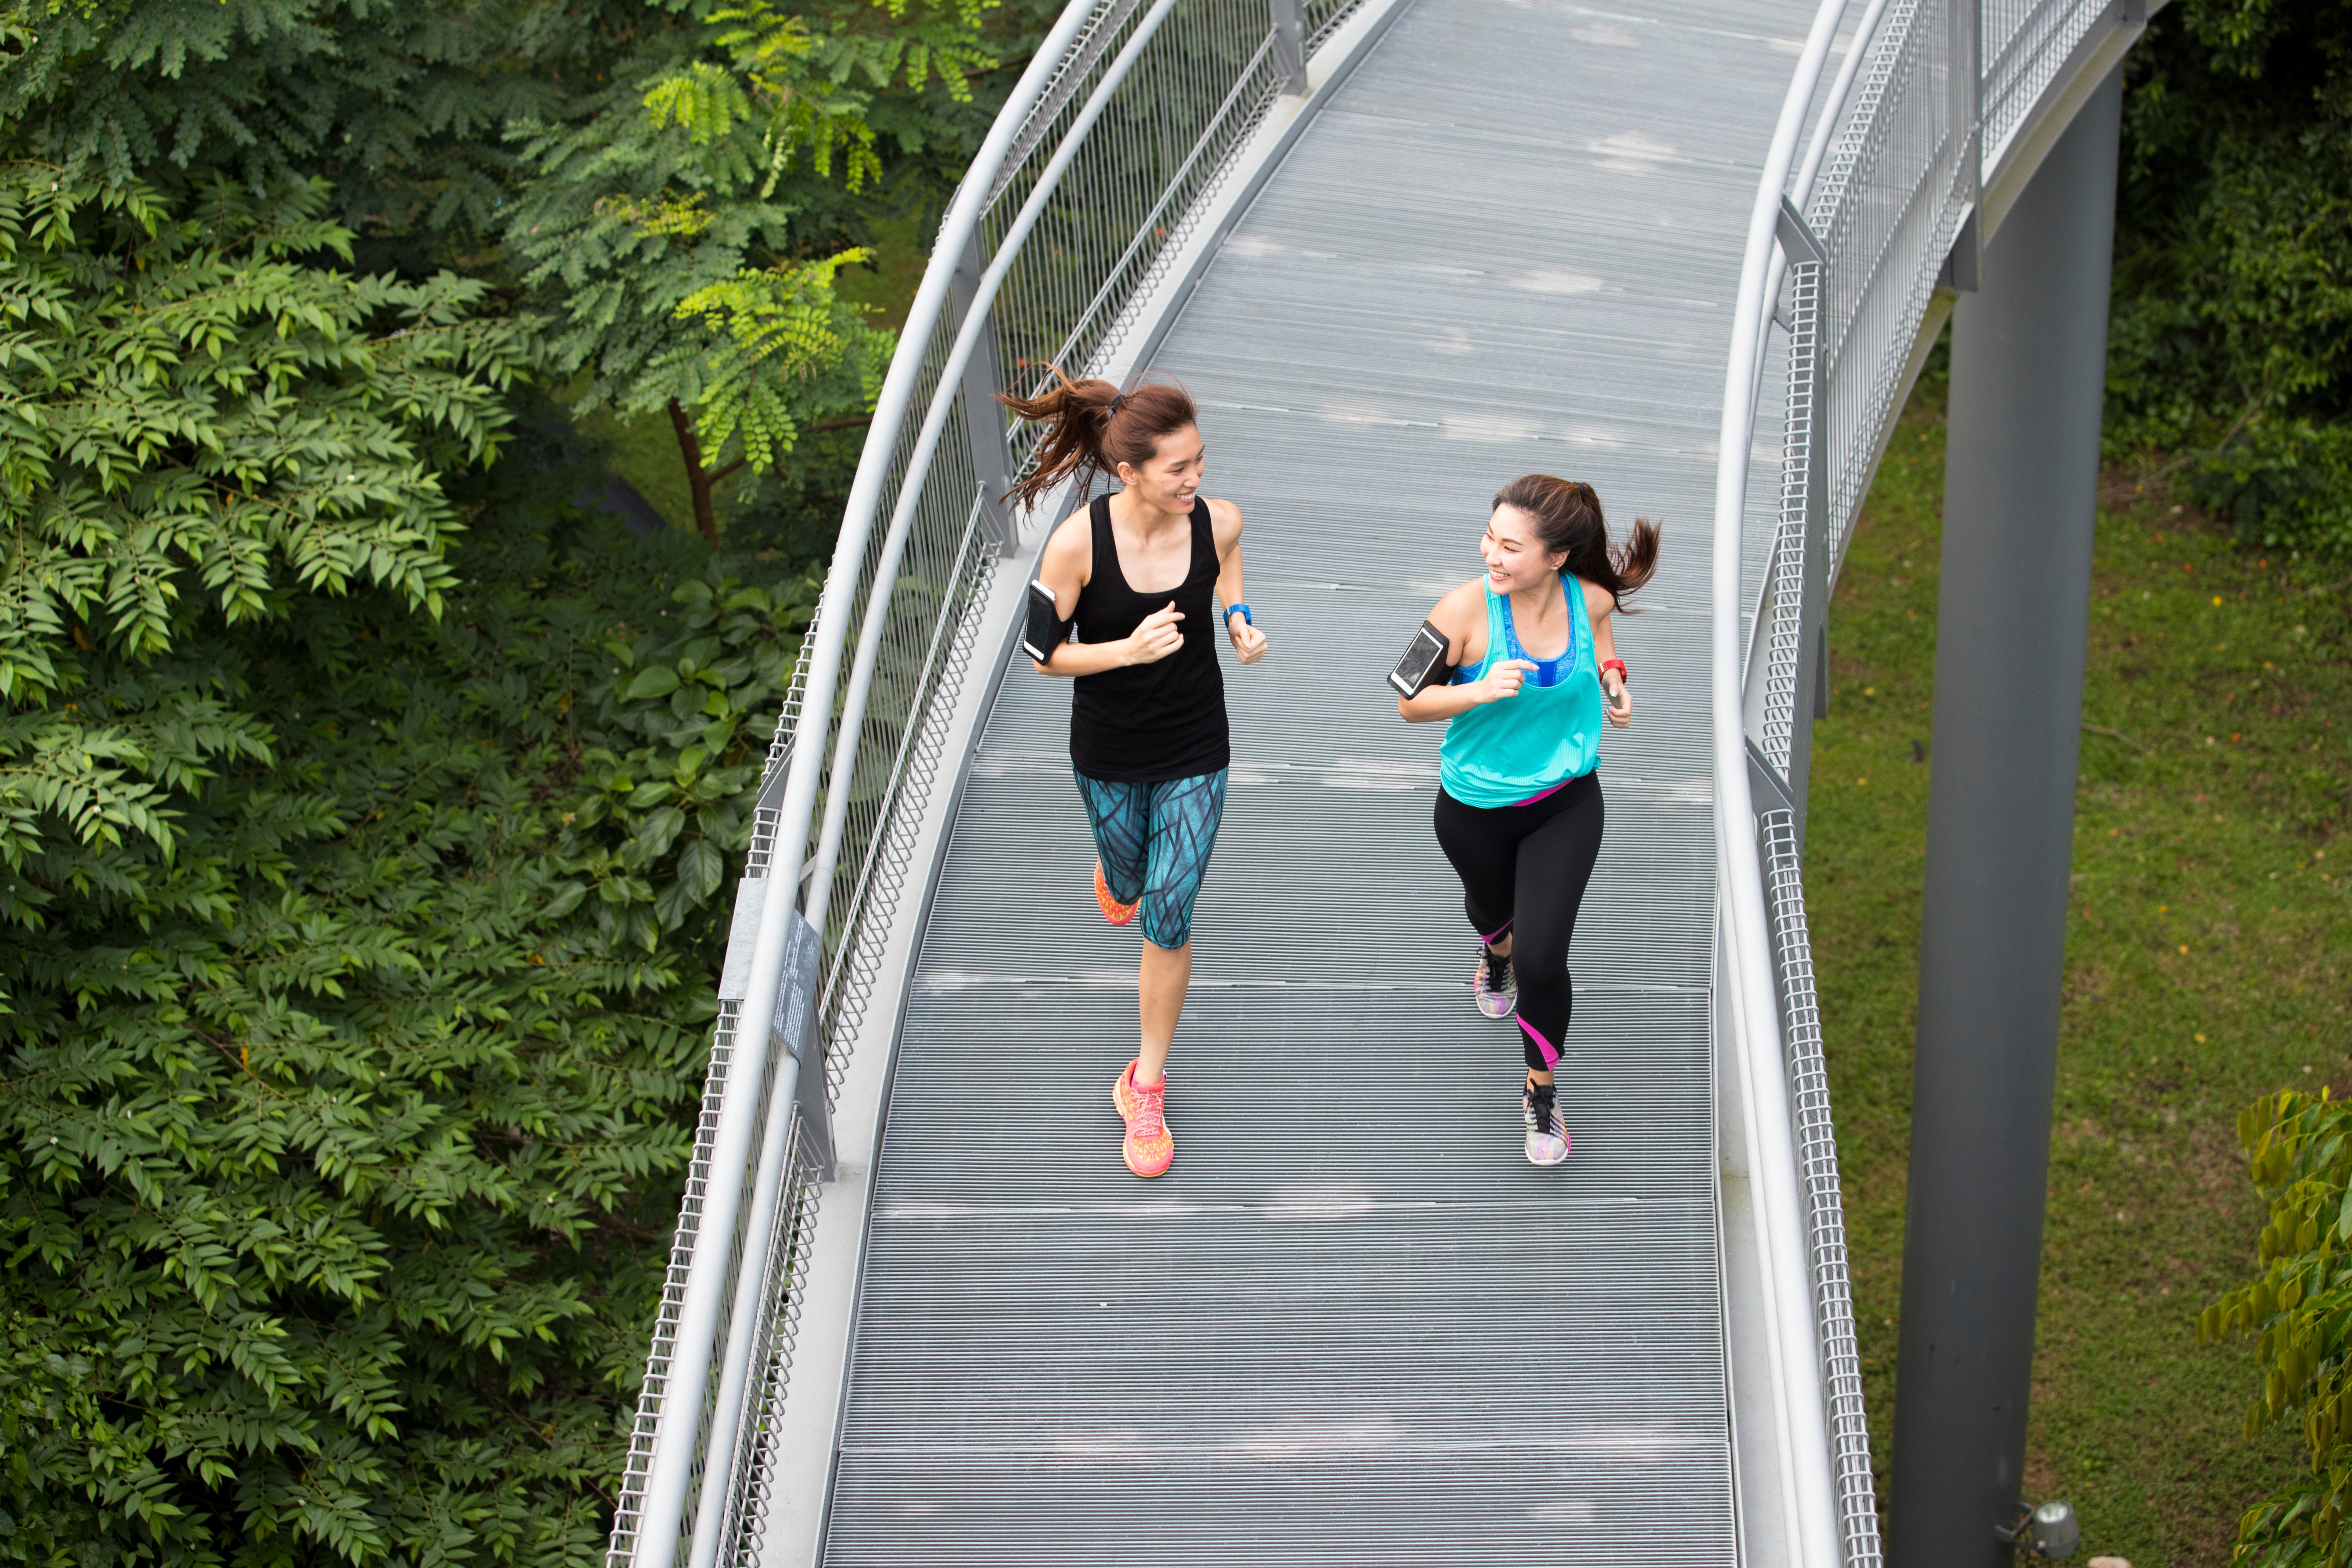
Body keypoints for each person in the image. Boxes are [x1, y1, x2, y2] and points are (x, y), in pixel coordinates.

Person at [1002, 369, 1268, 1179]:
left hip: (1196, 742)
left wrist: (1239, 621)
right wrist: (1125, 649)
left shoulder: (1216, 521)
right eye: (1177, 469)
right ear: (1130, 474)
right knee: (1129, 876)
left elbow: (1230, 562)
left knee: (1170, 909)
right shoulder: (1079, 543)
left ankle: (1143, 1080)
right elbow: (1041, 653)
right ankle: (1117, 875)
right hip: (1110, 749)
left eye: (1199, 461)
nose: (1197, 480)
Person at [1396, 476, 1658, 1166]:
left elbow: (1601, 644)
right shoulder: (1461, 611)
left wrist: (1614, 681)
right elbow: (1404, 701)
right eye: (1491, 537)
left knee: (1544, 958)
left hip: (1566, 803)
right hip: (1473, 809)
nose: (1493, 554)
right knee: (1493, 912)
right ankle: (1493, 951)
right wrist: (1477, 689)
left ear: (1558, 557)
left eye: (1512, 546)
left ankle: (1540, 1091)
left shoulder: (1590, 598)